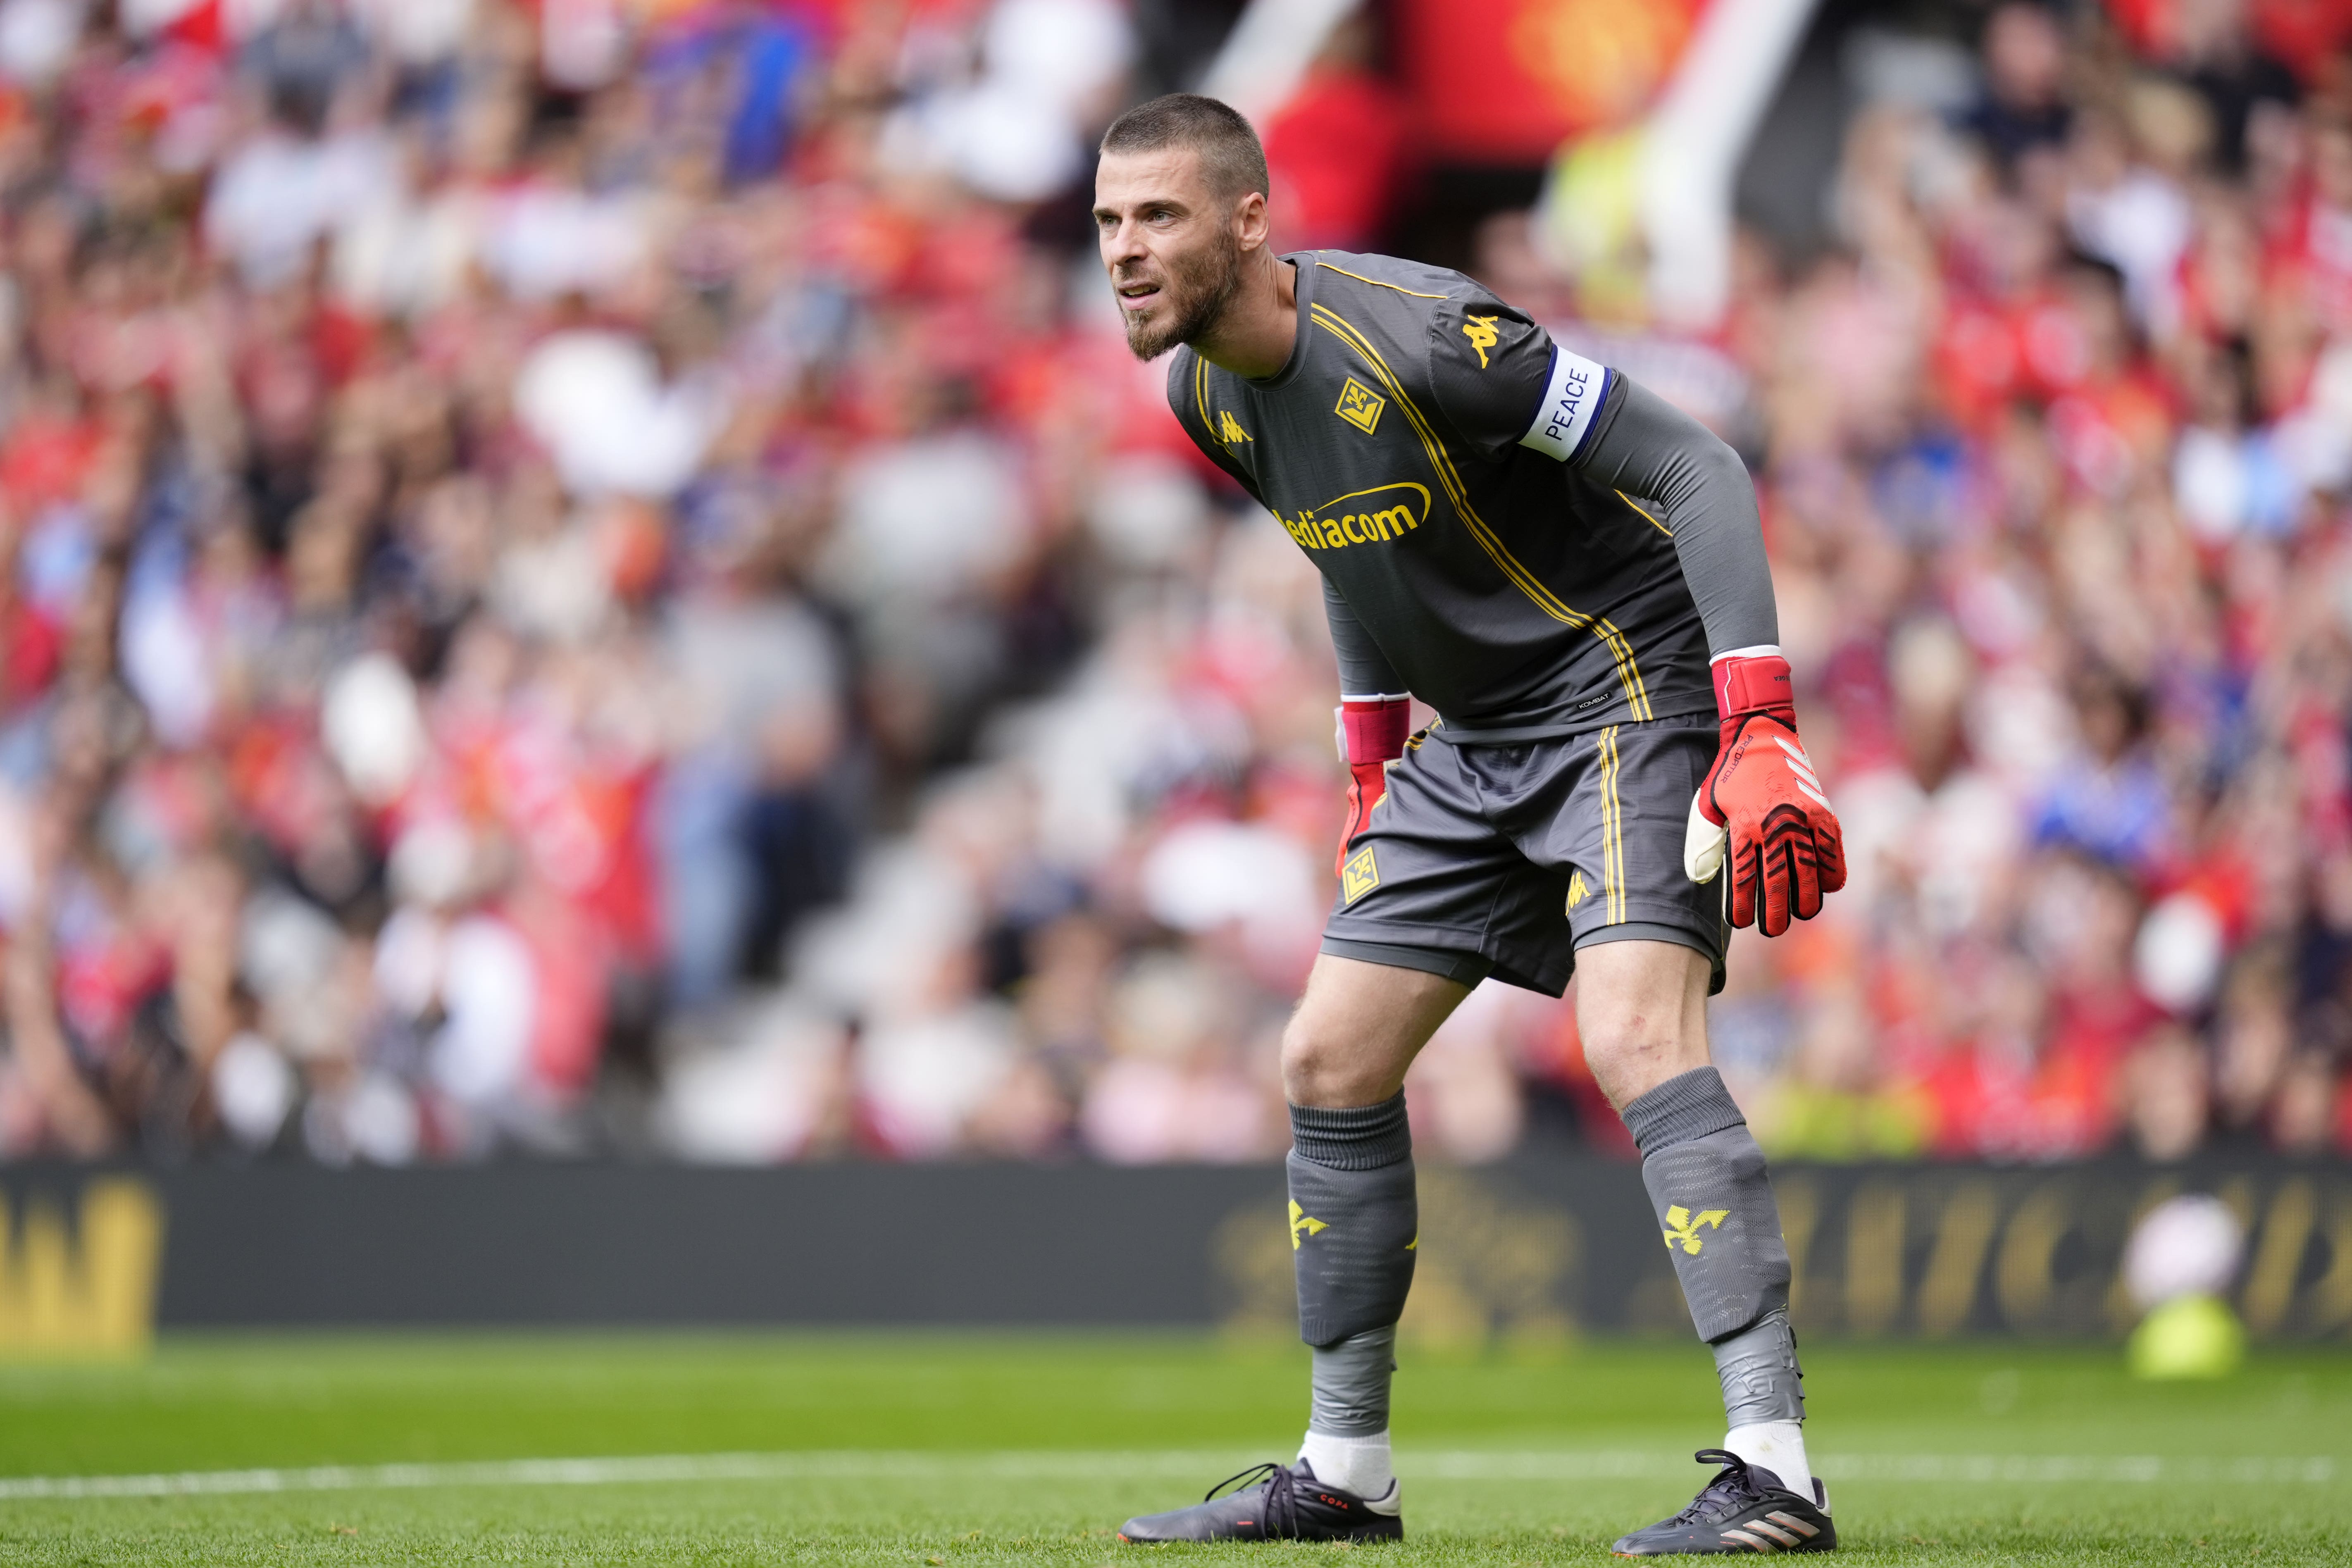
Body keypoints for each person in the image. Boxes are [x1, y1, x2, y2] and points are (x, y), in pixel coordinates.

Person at [1091, 95, 1846, 1555]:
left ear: (1249, 220)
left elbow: (1697, 467)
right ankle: (1344, 1471)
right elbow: (1346, 541)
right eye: (1112, 221)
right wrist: (1370, 753)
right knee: (1325, 1053)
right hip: (1472, 745)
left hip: (1622, 686)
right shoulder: (1201, 390)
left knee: (1637, 1040)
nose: (1126, 251)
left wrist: (1758, 723)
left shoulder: (1433, 337)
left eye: (1160, 217)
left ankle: (1777, 1471)